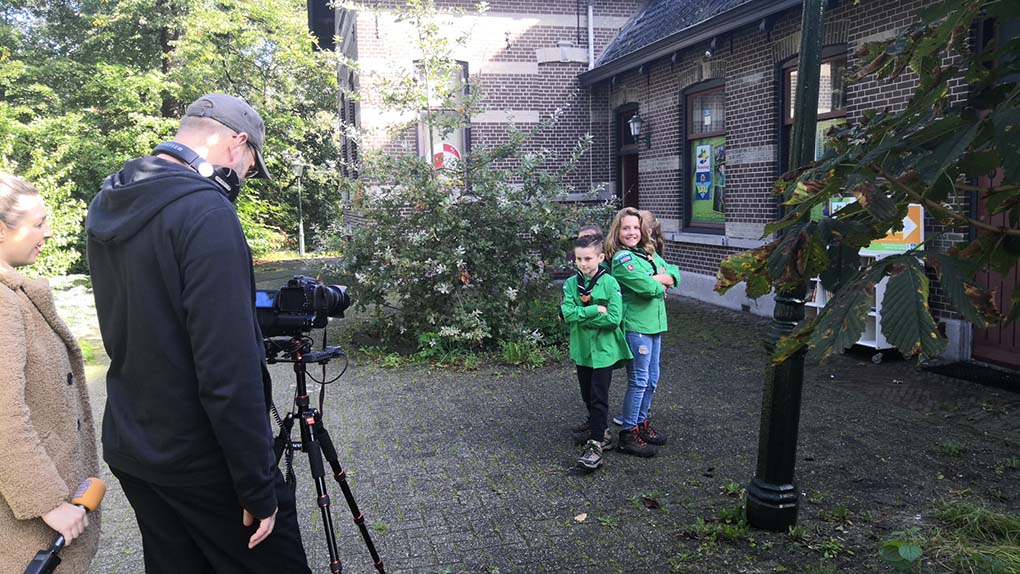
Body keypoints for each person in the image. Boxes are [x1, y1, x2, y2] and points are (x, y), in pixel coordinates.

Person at [85, 94, 311, 573]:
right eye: (251, 166)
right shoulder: (207, 214)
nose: (246, 179)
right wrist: (257, 485)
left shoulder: (109, 200)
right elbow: (228, 371)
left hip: (135, 446)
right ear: (237, 144)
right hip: (202, 461)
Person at [0, 173, 100, 574]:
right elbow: (4, 414)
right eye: (38, 223)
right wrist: (47, 502)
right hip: (25, 539)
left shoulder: (13, 295)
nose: (49, 231)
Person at [606, 207, 681, 457]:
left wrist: (660, 277)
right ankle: (628, 434)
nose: (632, 232)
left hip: (655, 326)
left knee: (652, 379)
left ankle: (641, 424)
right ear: (618, 231)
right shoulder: (622, 259)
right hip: (637, 327)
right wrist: (659, 281)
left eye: (636, 228)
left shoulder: (646, 254)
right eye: (626, 228)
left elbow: (675, 272)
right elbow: (647, 288)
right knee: (638, 381)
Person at [560, 234, 632, 470]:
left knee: (599, 397)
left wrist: (582, 318)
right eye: (579, 259)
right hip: (582, 351)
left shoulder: (610, 283)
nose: (582, 264)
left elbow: (613, 319)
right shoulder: (571, 284)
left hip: (604, 351)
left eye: (588, 259)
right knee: (586, 394)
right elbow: (568, 314)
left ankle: (595, 445)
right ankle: (602, 432)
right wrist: (594, 310)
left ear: (600, 258)